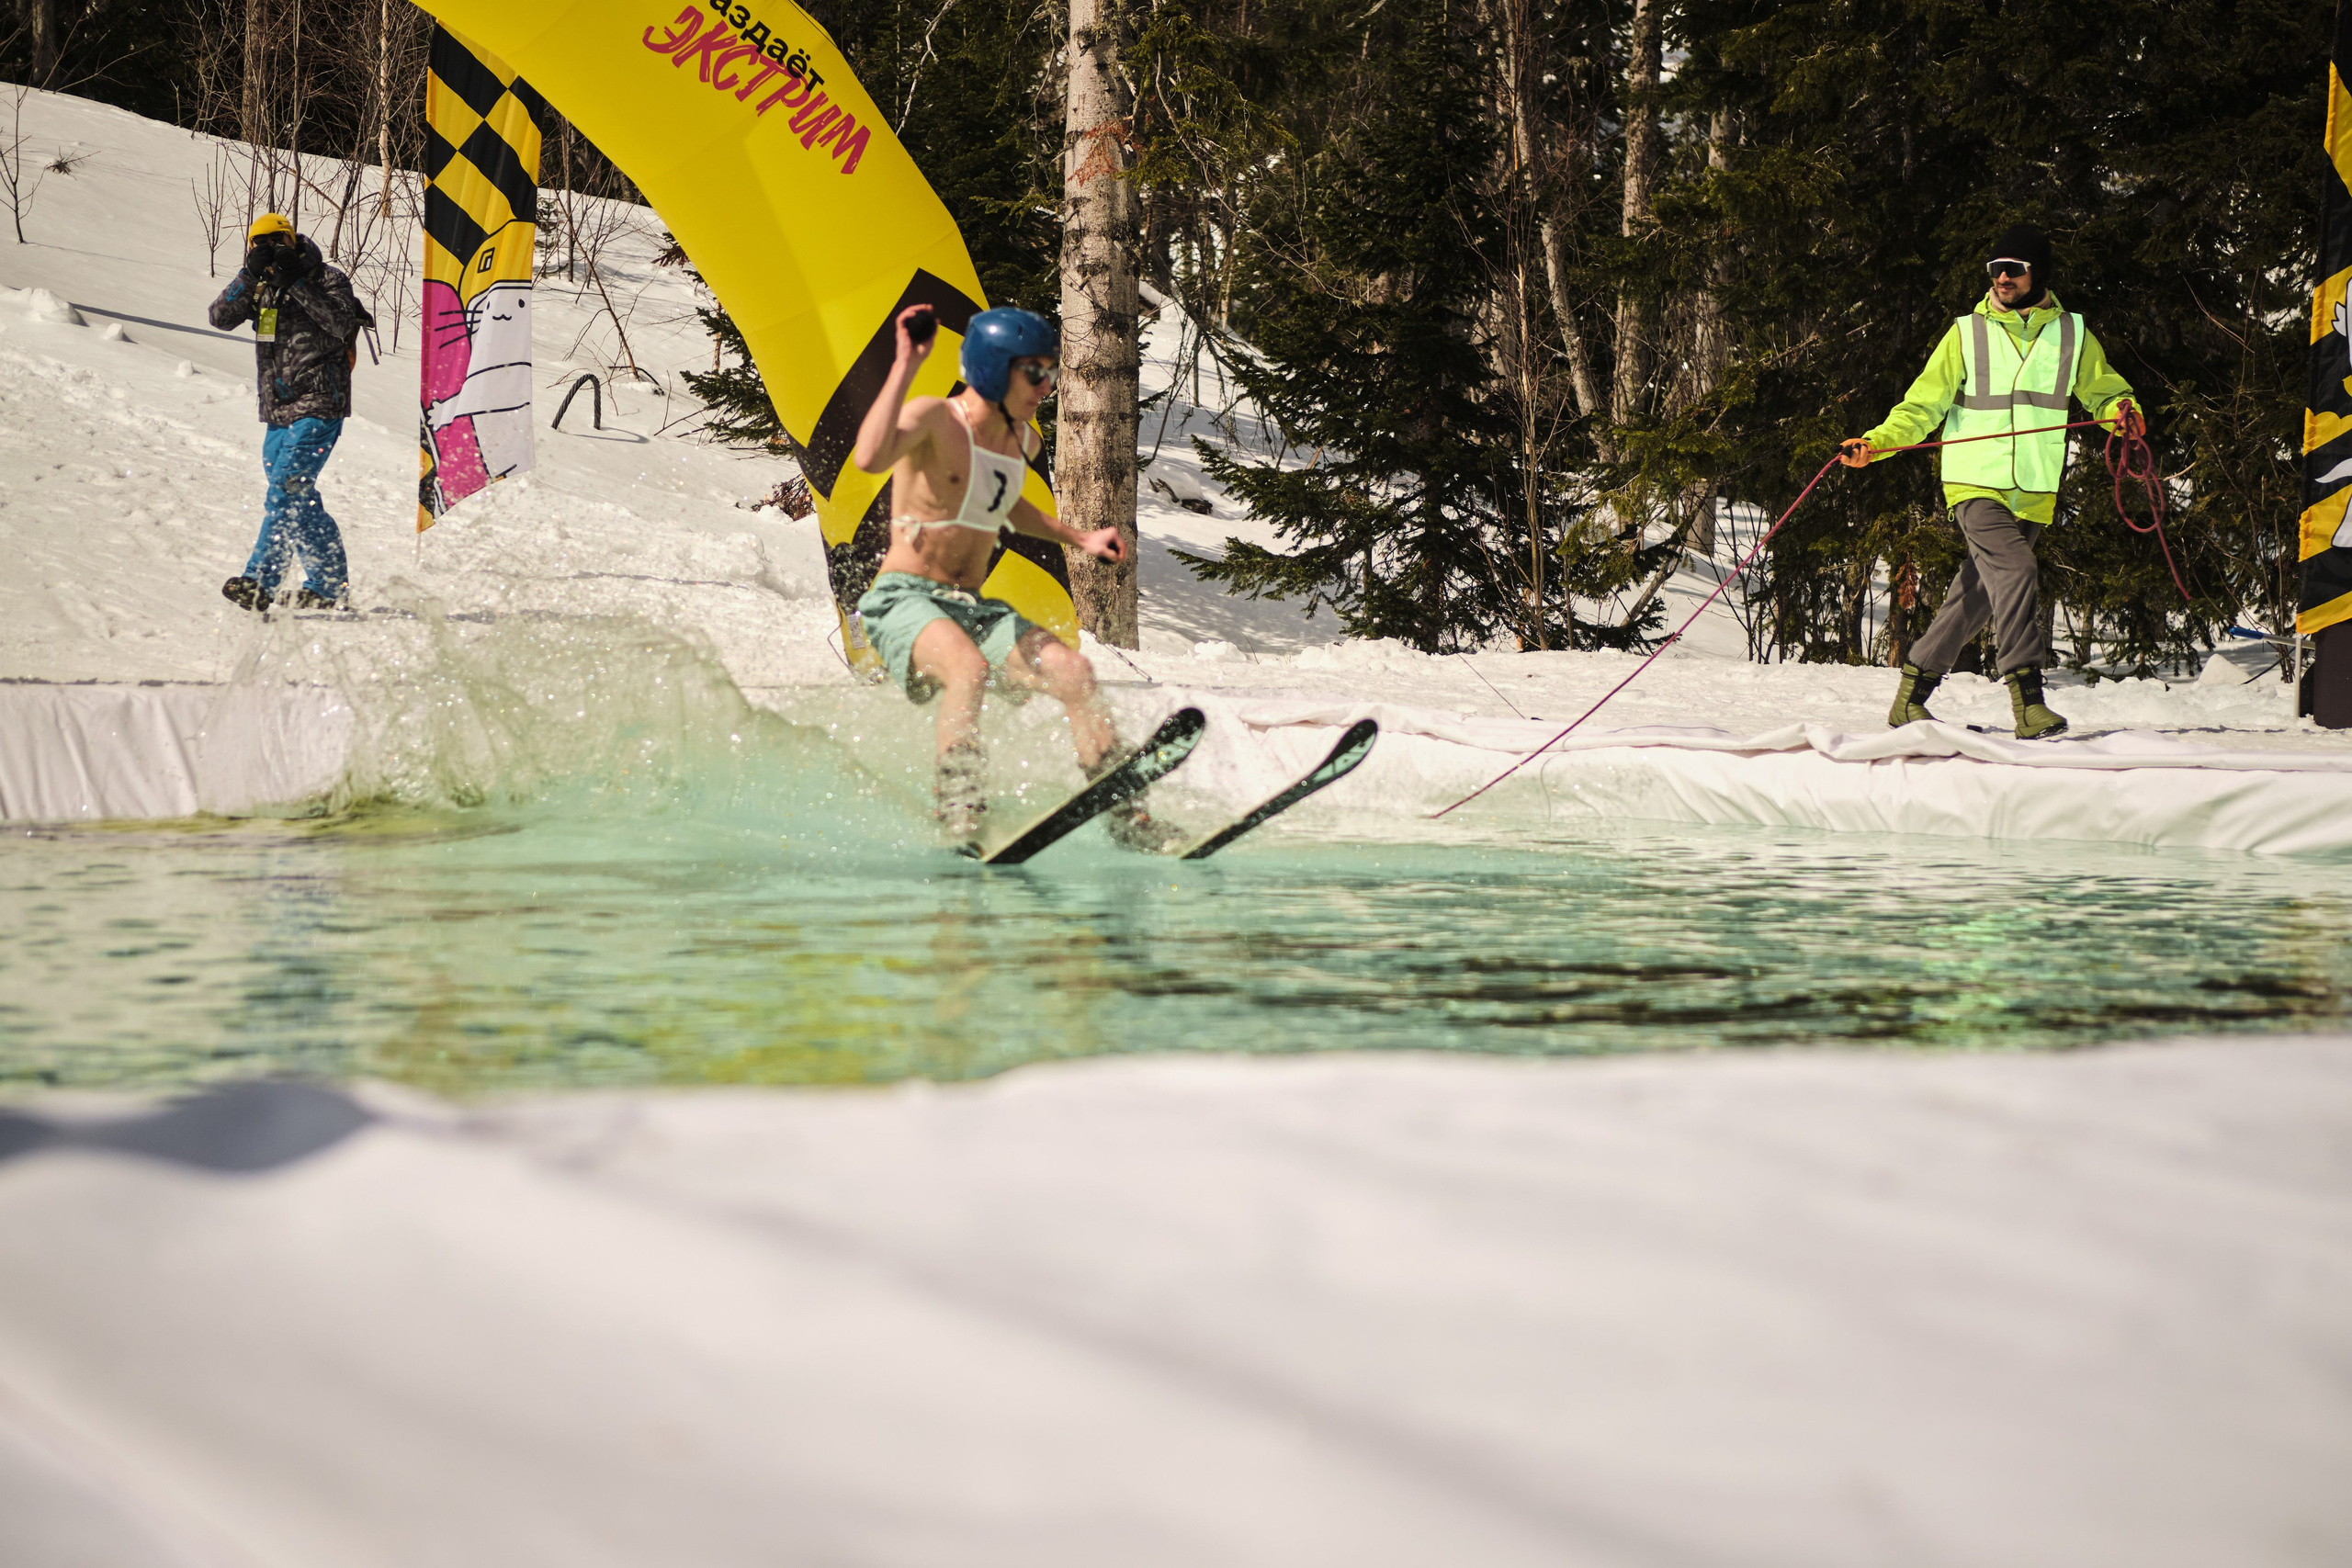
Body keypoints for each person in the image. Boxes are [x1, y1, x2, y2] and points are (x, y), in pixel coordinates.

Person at [849, 305, 1171, 850]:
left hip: (970, 607)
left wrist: (1081, 538)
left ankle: (1126, 816)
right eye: (1036, 372)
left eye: (1052, 372)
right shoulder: (935, 417)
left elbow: (1007, 506)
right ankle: (960, 811)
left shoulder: (1023, 440)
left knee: (1074, 672)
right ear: (995, 369)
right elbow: (869, 456)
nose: (1048, 386)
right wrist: (906, 363)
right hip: (902, 599)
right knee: (968, 668)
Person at [1840, 223, 2142, 739]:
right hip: (1975, 481)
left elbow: (2103, 389)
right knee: (2017, 568)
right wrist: (1878, 442)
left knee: (1975, 596)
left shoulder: (2071, 333)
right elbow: (1922, 405)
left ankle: (1909, 700)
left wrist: (2122, 410)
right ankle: (2028, 703)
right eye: (1995, 269)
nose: (2002, 277)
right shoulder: (1967, 333)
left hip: (2034, 489)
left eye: (2014, 269)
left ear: (2037, 273)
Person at [209, 212, 365, 612]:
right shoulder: (260, 286)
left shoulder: (326, 278)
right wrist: (248, 275)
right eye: (259, 242)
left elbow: (340, 322)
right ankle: (328, 587)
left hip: (320, 401)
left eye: (276, 240)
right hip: (277, 410)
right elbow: (219, 318)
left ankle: (260, 581)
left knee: (286, 489)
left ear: (293, 240)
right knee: (298, 498)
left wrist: (295, 281)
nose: (269, 248)